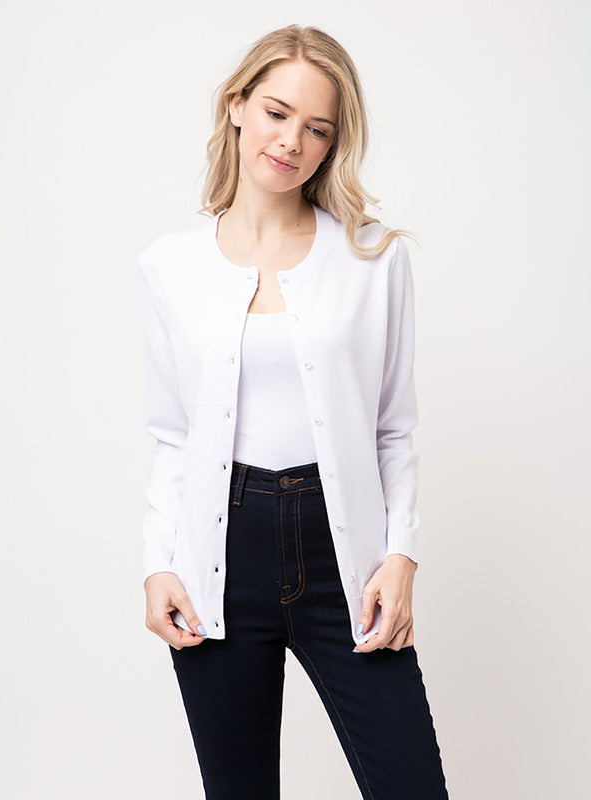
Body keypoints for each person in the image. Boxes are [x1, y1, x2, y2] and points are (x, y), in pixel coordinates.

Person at [137, 23, 450, 800]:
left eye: (318, 128)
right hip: (219, 556)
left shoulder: (373, 258)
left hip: (344, 554)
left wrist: (401, 555)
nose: (291, 142)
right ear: (236, 105)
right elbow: (174, 437)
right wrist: (158, 562)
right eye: (277, 113)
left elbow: (392, 427)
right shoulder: (169, 268)